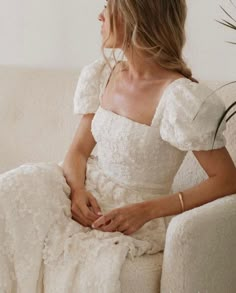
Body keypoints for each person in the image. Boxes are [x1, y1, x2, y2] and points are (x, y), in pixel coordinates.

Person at [1, 0, 236, 292]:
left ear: (137, 17)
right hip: (82, 187)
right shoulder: (103, 74)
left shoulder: (180, 98)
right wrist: (77, 192)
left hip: (133, 212)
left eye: (109, 7)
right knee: (9, 192)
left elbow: (227, 180)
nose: (100, 15)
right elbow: (77, 151)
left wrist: (148, 210)